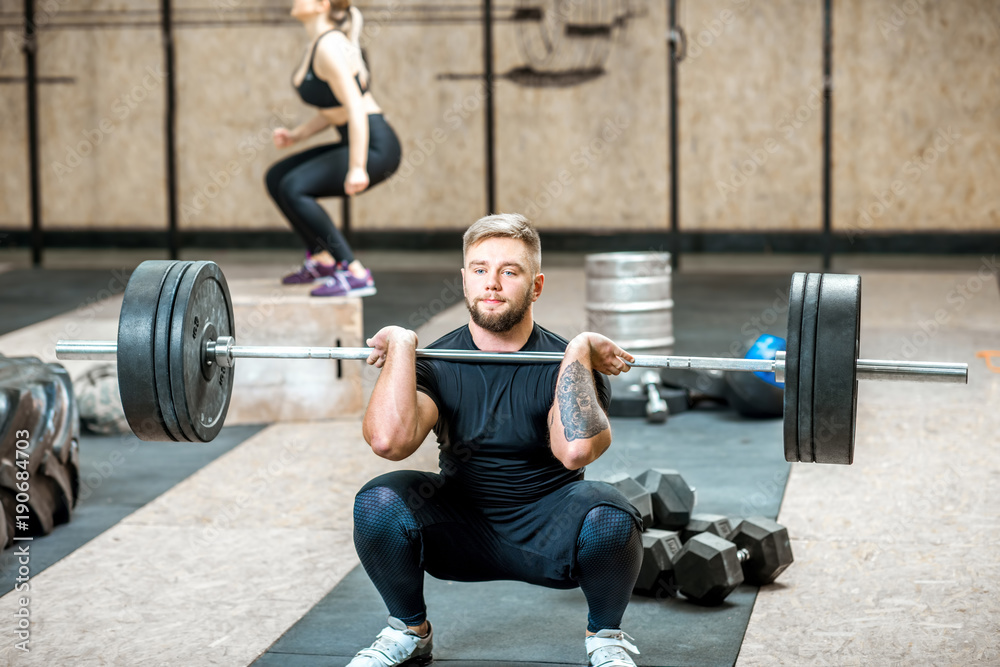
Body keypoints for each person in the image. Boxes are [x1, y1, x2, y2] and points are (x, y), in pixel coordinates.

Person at [350, 213, 644, 667]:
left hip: (549, 530)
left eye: (510, 271)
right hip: (459, 525)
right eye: (480, 269)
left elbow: (576, 452)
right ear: (464, 280)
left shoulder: (572, 364)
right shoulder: (435, 360)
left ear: (536, 285)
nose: (493, 283)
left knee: (610, 512)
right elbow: (389, 442)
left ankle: (604, 637)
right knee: (377, 502)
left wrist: (579, 349)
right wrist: (404, 346)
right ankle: (409, 631)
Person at [267, 0, 401, 297]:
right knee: (276, 178)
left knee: (294, 187)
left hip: (377, 146)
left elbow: (355, 108)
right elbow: (333, 109)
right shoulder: (318, 44)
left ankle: (354, 271)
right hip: (356, 139)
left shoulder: (329, 47)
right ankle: (321, 259)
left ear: (321, 4)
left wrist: (357, 166)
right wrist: (296, 135)